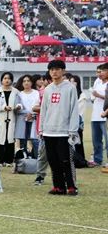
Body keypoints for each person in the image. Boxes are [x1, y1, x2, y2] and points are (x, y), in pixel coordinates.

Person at [39, 59, 79, 195]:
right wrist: (41, 128)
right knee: (53, 160)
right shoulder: (48, 89)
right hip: (48, 131)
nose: (54, 72)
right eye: (51, 70)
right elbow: (43, 110)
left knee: (65, 160)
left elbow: (74, 110)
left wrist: (72, 130)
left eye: (57, 69)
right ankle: (58, 186)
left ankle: (71, 186)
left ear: (63, 71)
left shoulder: (70, 88)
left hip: (64, 131)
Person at [0, 72, 19, 166]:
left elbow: (19, 102)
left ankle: (9, 161)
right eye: (5, 78)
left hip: (12, 117)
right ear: (1, 80)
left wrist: (17, 107)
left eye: (9, 78)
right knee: (0, 139)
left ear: (12, 80)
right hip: (1, 118)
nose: (7, 80)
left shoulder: (16, 91)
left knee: (10, 139)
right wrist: (3, 108)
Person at [14, 75, 40, 159]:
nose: (26, 82)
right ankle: (23, 159)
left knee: (35, 140)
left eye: (28, 81)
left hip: (35, 119)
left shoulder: (37, 93)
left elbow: (38, 105)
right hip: (22, 119)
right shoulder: (19, 94)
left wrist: (32, 114)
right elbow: (18, 107)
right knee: (23, 140)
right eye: (24, 81)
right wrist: (26, 113)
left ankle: (36, 159)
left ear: (32, 82)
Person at [91, 63, 108, 169]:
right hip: (95, 114)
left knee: (107, 140)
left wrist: (99, 95)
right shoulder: (97, 82)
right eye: (98, 71)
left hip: (105, 115)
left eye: (102, 71)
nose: (100, 73)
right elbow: (93, 97)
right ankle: (97, 159)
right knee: (96, 140)